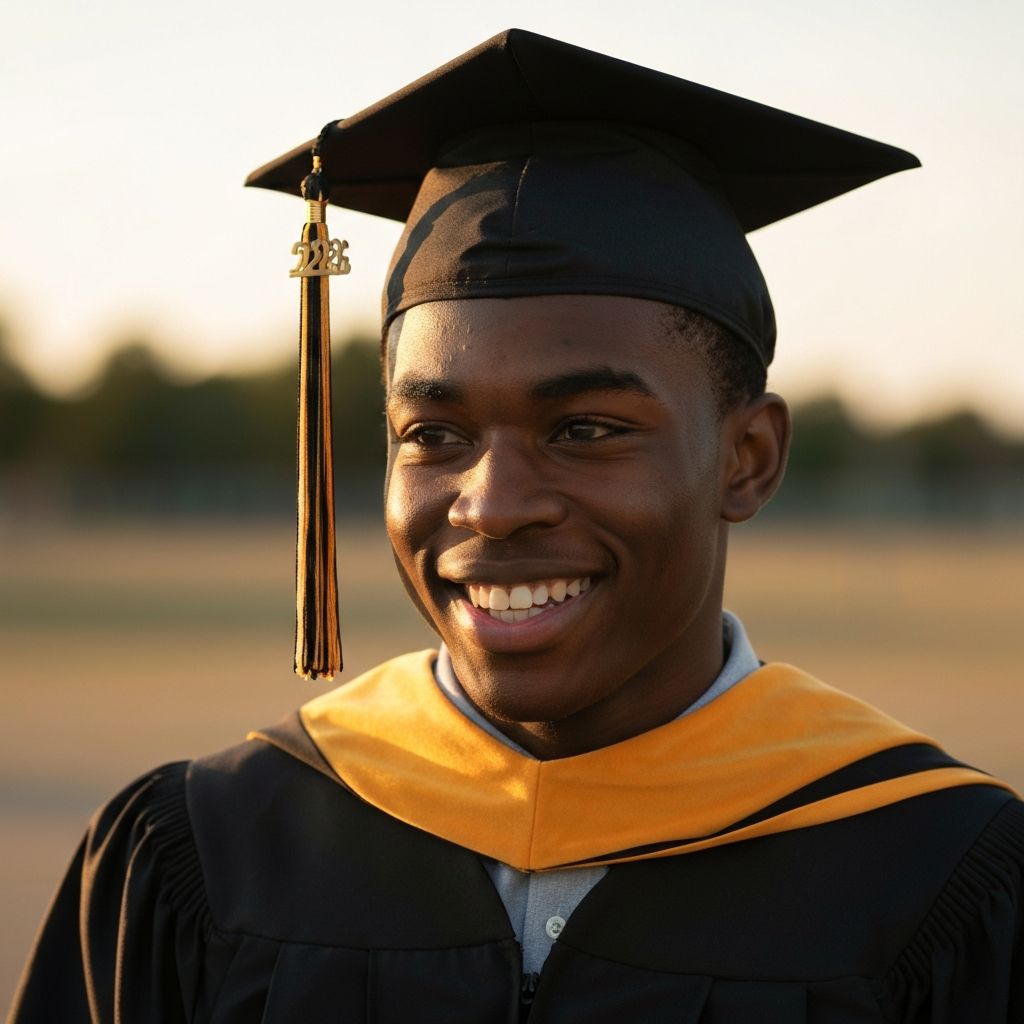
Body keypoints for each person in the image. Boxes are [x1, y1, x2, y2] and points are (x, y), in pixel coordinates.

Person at [9, 29, 1022, 1024]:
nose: (490, 504)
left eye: (585, 429)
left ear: (746, 458)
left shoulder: (938, 874)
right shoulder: (205, 854)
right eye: (433, 434)